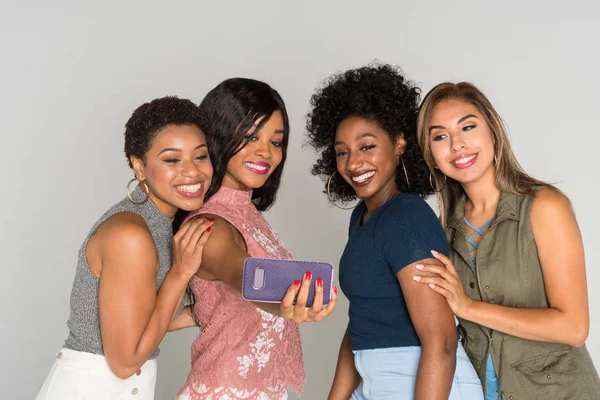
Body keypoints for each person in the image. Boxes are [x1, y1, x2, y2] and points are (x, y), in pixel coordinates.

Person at [306, 64, 483, 400]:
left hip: (425, 383)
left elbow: (441, 343)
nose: (353, 163)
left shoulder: (408, 218)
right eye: (342, 152)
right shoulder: (363, 216)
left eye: (367, 146)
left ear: (400, 143)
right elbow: (361, 322)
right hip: (373, 380)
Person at [414, 82, 600, 399]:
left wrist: (468, 307)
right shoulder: (443, 233)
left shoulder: (544, 207)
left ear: (493, 133)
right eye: (440, 136)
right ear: (431, 155)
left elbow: (573, 327)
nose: (457, 145)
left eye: (467, 127)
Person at [35, 96, 215, 400]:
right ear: (139, 166)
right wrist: (181, 272)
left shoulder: (161, 223)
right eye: (172, 160)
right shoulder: (130, 234)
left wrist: (205, 312)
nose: (192, 172)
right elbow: (125, 361)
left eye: (200, 156)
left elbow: (139, 321)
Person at [176, 78, 338, 400]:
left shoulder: (247, 213)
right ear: (219, 135)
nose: (265, 151)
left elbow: (222, 298)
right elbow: (249, 279)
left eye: (276, 142)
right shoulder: (211, 225)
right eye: (250, 137)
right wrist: (286, 305)